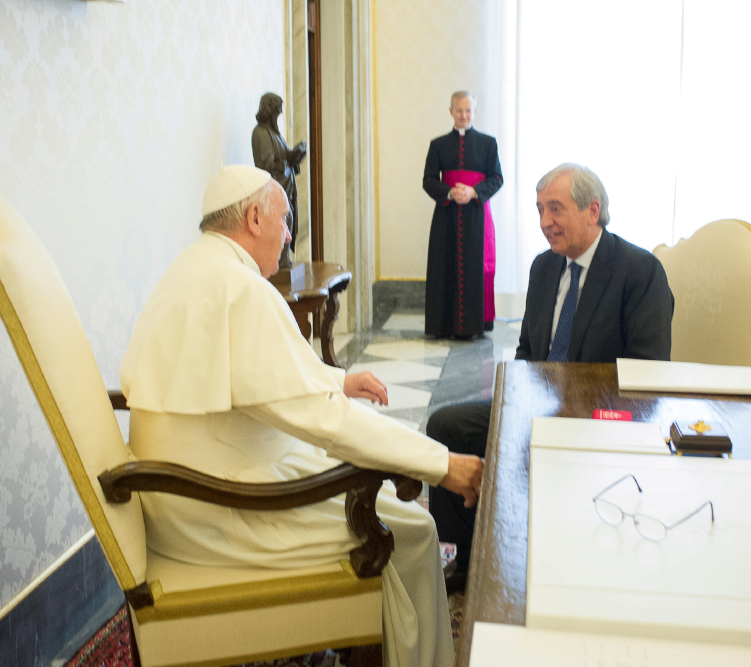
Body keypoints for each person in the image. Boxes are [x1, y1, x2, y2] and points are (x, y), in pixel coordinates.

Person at [120, 165, 483, 667]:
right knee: (412, 532)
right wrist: (443, 464)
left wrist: (336, 379)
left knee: (382, 502)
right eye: (285, 218)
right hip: (221, 509)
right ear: (253, 217)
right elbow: (326, 420)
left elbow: (249, 376)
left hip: (179, 498)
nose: (290, 234)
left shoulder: (191, 270)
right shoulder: (242, 289)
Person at [427, 163, 673, 592]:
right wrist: (517, 402)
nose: (544, 223)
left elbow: (648, 372)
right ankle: (467, 558)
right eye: (540, 210)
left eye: (555, 209)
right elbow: (527, 350)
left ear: (592, 210)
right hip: (537, 405)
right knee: (445, 426)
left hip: (600, 418)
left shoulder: (639, 271)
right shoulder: (544, 268)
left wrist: (572, 411)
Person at [423, 91, 503, 339]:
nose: (464, 115)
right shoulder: (438, 145)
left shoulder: (488, 143)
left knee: (474, 268)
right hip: (445, 217)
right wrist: (449, 193)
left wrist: (473, 192)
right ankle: (442, 325)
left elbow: (497, 178)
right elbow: (427, 180)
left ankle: (472, 326)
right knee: (444, 266)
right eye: (459, 110)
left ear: (474, 112)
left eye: (468, 110)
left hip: (476, 216)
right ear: (451, 111)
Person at [252, 92, 306, 269]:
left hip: (286, 188)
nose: (278, 115)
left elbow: (283, 158)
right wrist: (287, 161)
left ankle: (284, 260)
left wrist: (295, 155)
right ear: (269, 111)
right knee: (284, 220)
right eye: (277, 111)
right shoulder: (260, 133)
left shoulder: (275, 134)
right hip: (275, 189)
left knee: (290, 221)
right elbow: (267, 166)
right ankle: (280, 261)